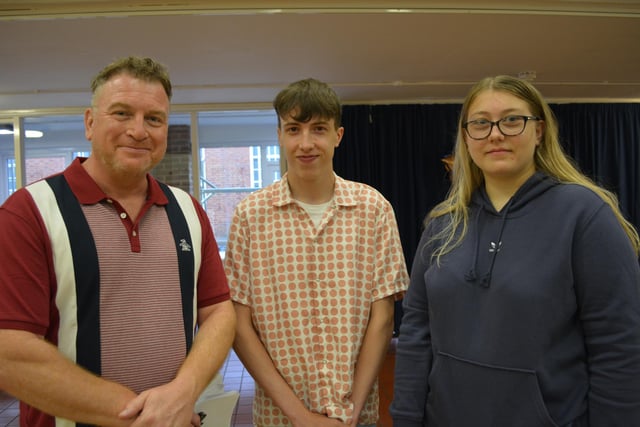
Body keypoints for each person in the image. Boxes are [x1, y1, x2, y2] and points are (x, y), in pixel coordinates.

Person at [390, 75, 640, 426]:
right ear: (466, 137)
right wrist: (405, 418)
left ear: (539, 131)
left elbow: (619, 348)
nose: (495, 134)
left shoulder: (585, 216)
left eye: (511, 120)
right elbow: (416, 334)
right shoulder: (443, 225)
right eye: (480, 123)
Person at [0, 56, 236, 427]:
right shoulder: (29, 212)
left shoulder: (188, 211)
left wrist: (183, 392)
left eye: (154, 119)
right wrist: (144, 415)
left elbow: (219, 312)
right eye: (122, 114)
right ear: (90, 123)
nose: (139, 131)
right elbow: (10, 352)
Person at [224, 78, 409, 427]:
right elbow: (240, 325)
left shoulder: (373, 209)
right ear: (279, 134)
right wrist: (301, 416)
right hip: (280, 418)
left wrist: (352, 408)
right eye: (294, 129)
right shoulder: (250, 215)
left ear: (338, 136)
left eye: (318, 129)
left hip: (356, 416)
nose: (306, 143)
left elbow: (382, 316)